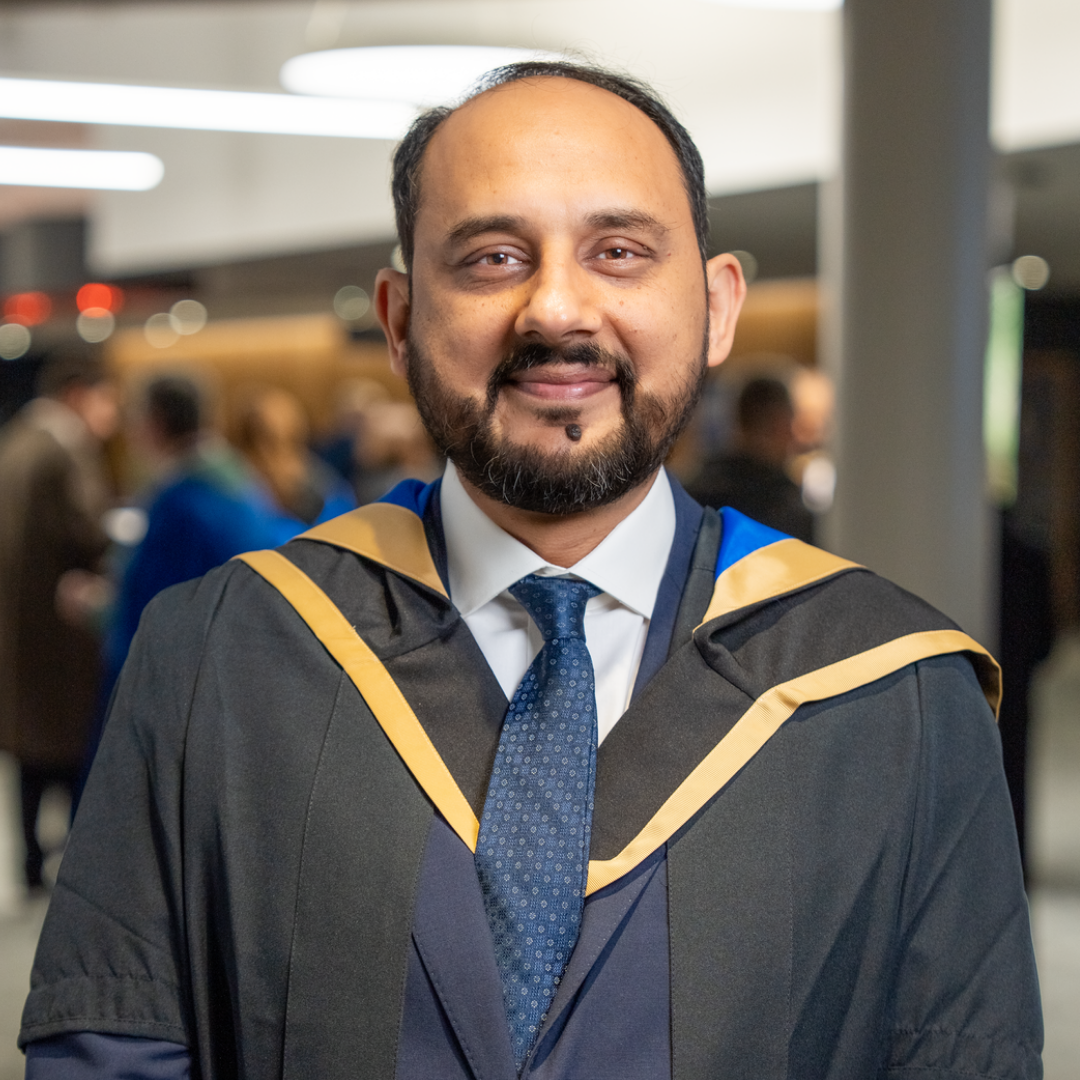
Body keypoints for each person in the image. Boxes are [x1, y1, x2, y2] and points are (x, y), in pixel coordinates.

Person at [22, 62, 1041, 1079]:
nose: (556, 308)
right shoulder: (220, 655)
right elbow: (114, 1048)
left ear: (718, 307)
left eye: (621, 251)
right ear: (399, 318)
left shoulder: (897, 698)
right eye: (494, 257)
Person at [0, 351, 117, 891]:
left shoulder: (17, 440)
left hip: (19, 625)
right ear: (78, 394)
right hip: (63, 629)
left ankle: (28, 861)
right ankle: (77, 866)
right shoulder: (66, 448)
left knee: (29, 751)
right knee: (70, 747)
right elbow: (86, 531)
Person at [687, 375, 815, 541]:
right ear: (778, 423)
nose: (793, 435)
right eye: (790, 422)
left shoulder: (698, 491)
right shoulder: (781, 505)